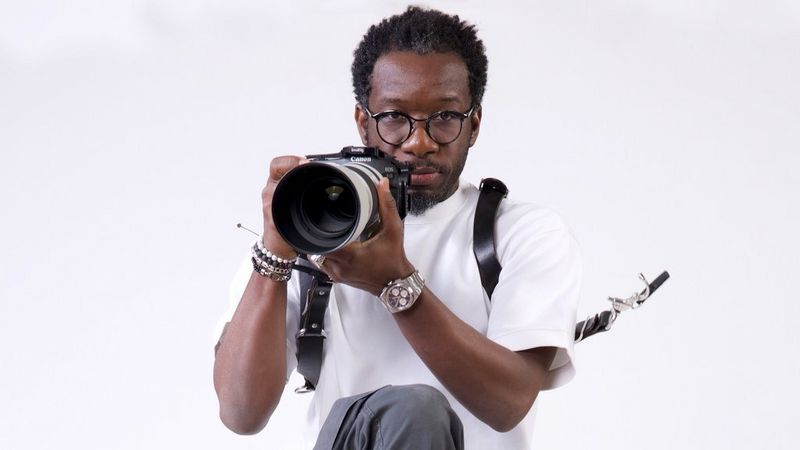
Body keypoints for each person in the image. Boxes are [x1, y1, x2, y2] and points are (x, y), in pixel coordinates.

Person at [213, 6, 581, 449]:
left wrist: (395, 283)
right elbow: (240, 412)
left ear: (475, 124)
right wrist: (276, 249)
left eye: (444, 118)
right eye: (393, 118)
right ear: (362, 121)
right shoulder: (316, 225)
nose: (418, 142)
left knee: (417, 411)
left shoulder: (521, 234)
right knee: (415, 409)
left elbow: (508, 403)